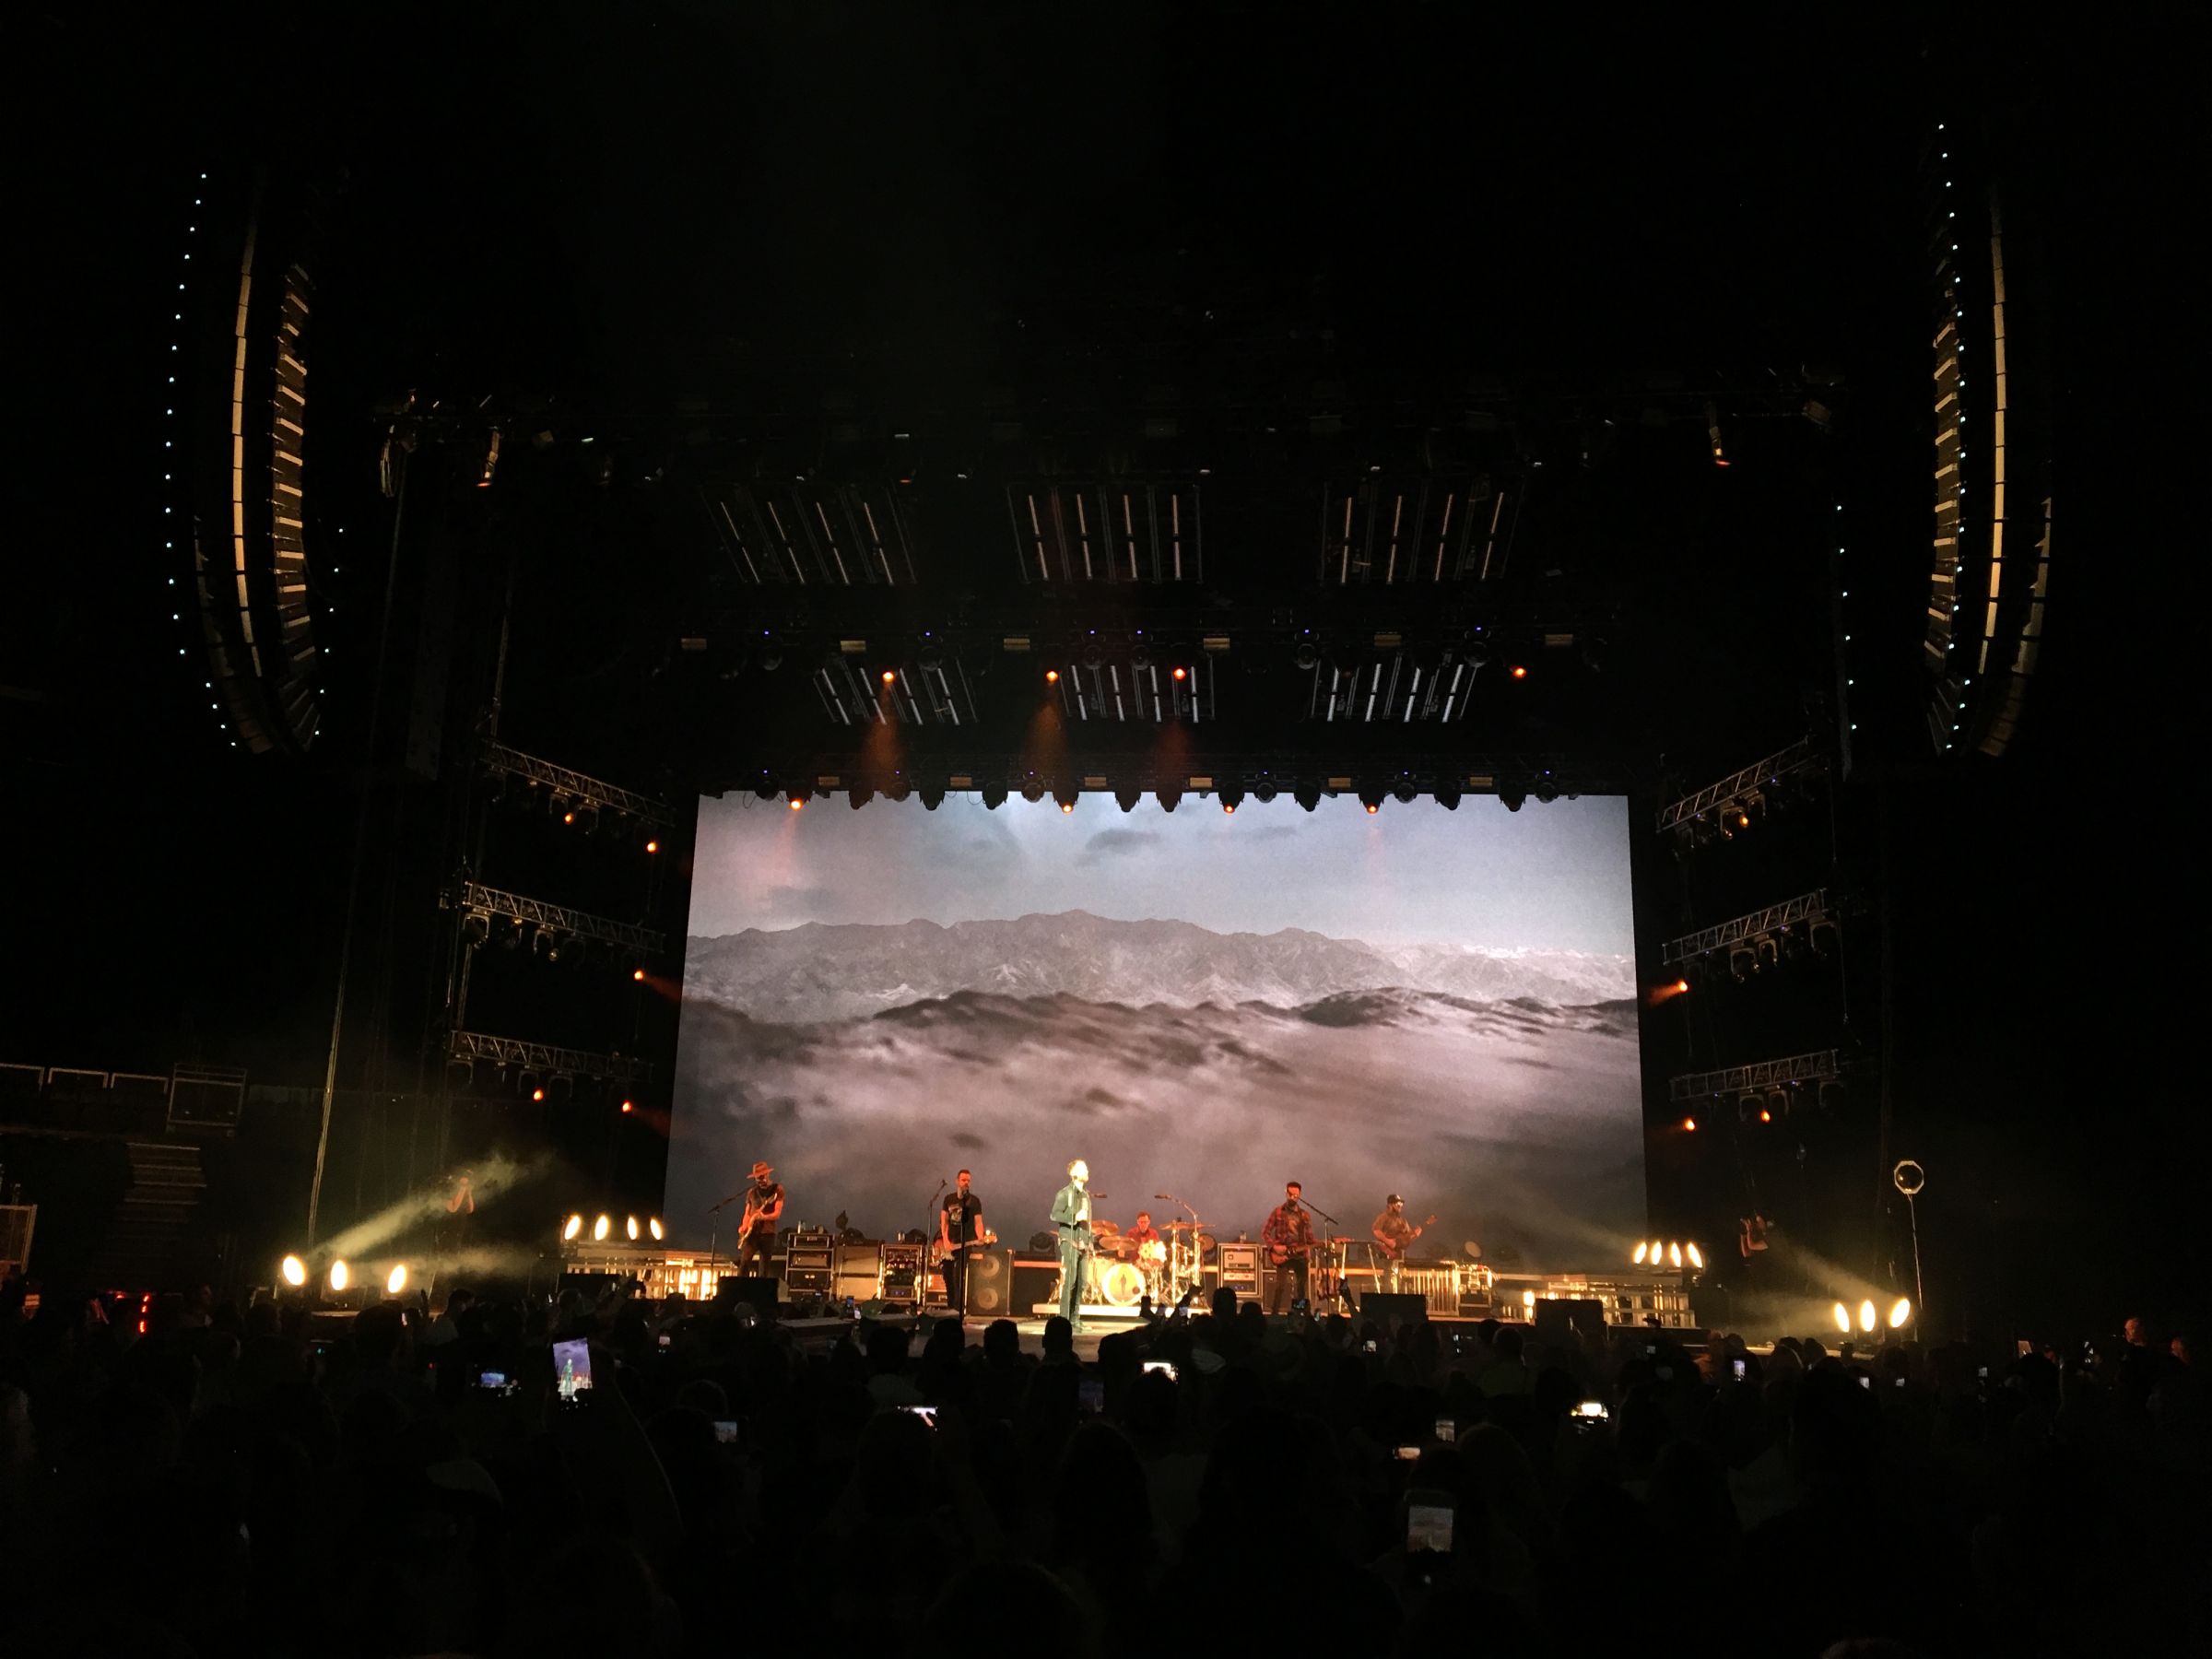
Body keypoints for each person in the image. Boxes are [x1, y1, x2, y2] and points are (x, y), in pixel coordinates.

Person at [1050, 1159, 1094, 1332]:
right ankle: (1064, 1321)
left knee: (1082, 1282)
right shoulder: (1064, 1193)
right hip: (1070, 1241)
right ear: (1073, 1173)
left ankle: (1075, 1319)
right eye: (1083, 1168)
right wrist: (1074, 1217)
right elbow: (1054, 1215)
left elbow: (1088, 1221)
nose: (1087, 1170)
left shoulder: (1085, 1195)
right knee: (1070, 1281)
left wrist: (1090, 1241)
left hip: (1083, 1243)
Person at [723, 1161, 784, 1281]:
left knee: (764, 1268)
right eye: (757, 1178)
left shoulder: (777, 1189)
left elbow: (777, 1214)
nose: (760, 1180)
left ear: (767, 1174)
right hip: (751, 1233)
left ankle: (760, 1291)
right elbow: (747, 1212)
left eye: (761, 1176)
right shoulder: (751, 1192)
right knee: (744, 1263)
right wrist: (744, 1226)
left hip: (768, 1233)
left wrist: (763, 1217)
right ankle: (740, 1288)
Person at [1262, 1181, 1314, 1315]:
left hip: (1300, 1254)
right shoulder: (1278, 1212)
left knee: (1301, 1287)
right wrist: (1274, 1247)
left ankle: (1301, 1315)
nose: (1292, 1197)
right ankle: (1274, 1314)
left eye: (1295, 1195)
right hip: (1283, 1254)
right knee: (1280, 1286)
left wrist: (1325, 1243)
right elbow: (1265, 1232)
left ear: (1299, 1195)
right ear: (1286, 1193)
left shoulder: (1304, 1215)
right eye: (1290, 1194)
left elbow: (1310, 1239)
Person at [939, 1170, 984, 1317]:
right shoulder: (948, 1199)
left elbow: (978, 1222)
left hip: (966, 1242)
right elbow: (944, 1221)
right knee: (948, 1276)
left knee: (958, 1275)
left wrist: (981, 1237)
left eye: (968, 1180)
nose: (966, 1183)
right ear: (957, 1181)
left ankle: (958, 1311)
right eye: (964, 1180)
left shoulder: (974, 1201)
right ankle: (950, 1307)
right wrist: (945, 1240)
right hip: (949, 1243)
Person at [1371, 1194, 1424, 1293]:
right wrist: (1388, 1241)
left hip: (1400, 1256)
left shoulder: (1403, 1221)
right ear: (1390, 1205)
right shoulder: (1384, 1217)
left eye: (1401, 1203)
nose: (1400, 1205)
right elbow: (1376, 1230)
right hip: (1386, 1256)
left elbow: (1406, 1240)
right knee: (1388, 1282)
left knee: (1400, 1283)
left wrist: (1415, 1235)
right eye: (1398, 1203)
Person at [1127, 1210, 1165, 1303]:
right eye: (1141, 1222)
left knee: (1157, 1266)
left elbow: (1157, 1249)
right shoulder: (1131, 1233)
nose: (1143, 1224)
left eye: (1145, 1222)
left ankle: (1153, 1293)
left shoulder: (1153, 1233)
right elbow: (1126, 1246)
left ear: (1149, 1222)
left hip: (1150, 1264)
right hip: (1135, 1263)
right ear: (1137, 1222)